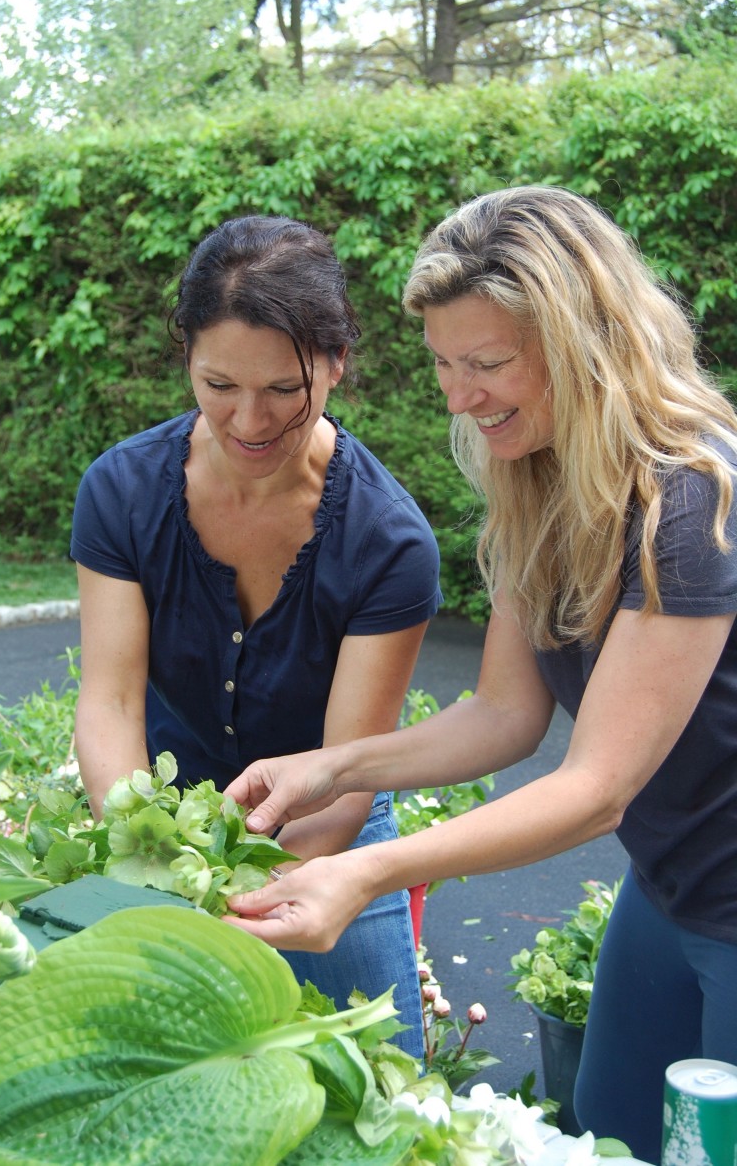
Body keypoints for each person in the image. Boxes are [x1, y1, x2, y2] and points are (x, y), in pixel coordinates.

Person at [224, 186, 737, 1163]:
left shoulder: (686, 497)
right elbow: (502, 713)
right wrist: (329, 770)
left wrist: (364, 867)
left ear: (590, 345)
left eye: (488, 364)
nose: (458, 397)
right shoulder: (533, 474)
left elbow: (594, 789)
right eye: (443, 365)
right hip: (667, 883)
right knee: (609, 1123)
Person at [70, 214, 443, 1060]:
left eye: (284, 387)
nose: (249, 419)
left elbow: (350, 776)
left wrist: (243, 893)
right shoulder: (120, 492)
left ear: (338, 361)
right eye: (218, 383)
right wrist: (151, 859)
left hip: (327, 832)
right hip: (162, 824)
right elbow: (112, 699)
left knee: (381, 1080)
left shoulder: (390, 544)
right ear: (187, 359)